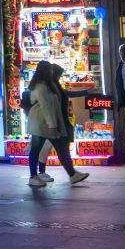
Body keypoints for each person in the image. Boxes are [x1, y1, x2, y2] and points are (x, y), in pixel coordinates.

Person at [24, 60, 88, 188]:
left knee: (58, 149)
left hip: (44, 124)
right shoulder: (41, 87)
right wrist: (53, 125)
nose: (52, 72)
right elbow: (46, 107)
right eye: (50, 70)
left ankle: (71, 174)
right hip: (42, 124)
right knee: (38, 150)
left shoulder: (47, 85)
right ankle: (34, 176)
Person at [34, 64, 72, 182]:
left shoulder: (51, 86)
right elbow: (46, 106)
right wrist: (52, 124)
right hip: (48, 124)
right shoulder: (45, 87)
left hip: (51, 123)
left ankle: (39, 173)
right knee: (44, 149)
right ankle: (38, 174)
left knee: (43, 149)